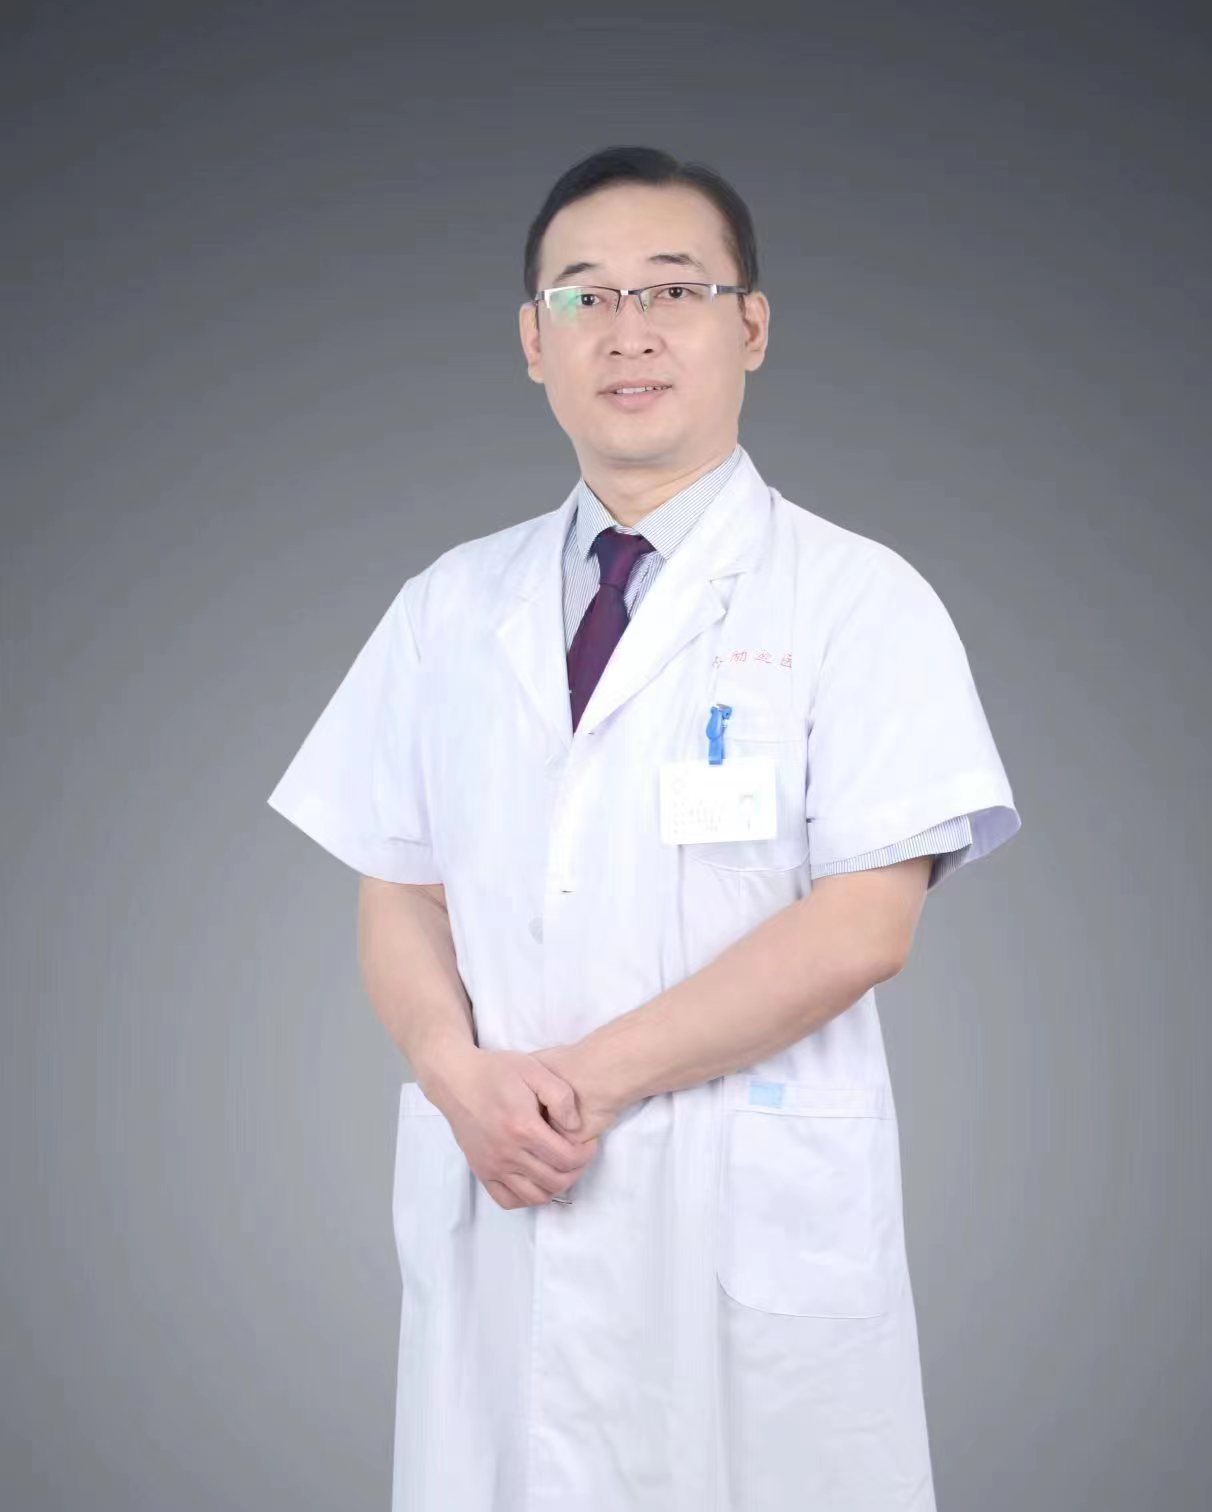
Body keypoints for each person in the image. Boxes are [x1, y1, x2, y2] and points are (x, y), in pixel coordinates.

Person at [266, 144, 1021, 1512]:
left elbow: (867, 923)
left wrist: (581, 1087)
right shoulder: (448, 606)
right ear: (532, 341)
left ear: (751, 326)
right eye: (585, 296)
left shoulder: (857, 599)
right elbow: (402, 887)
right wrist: (457, 1076)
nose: (629, 332)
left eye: (674, 290)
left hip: (736, 1211)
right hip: (504, 1196)